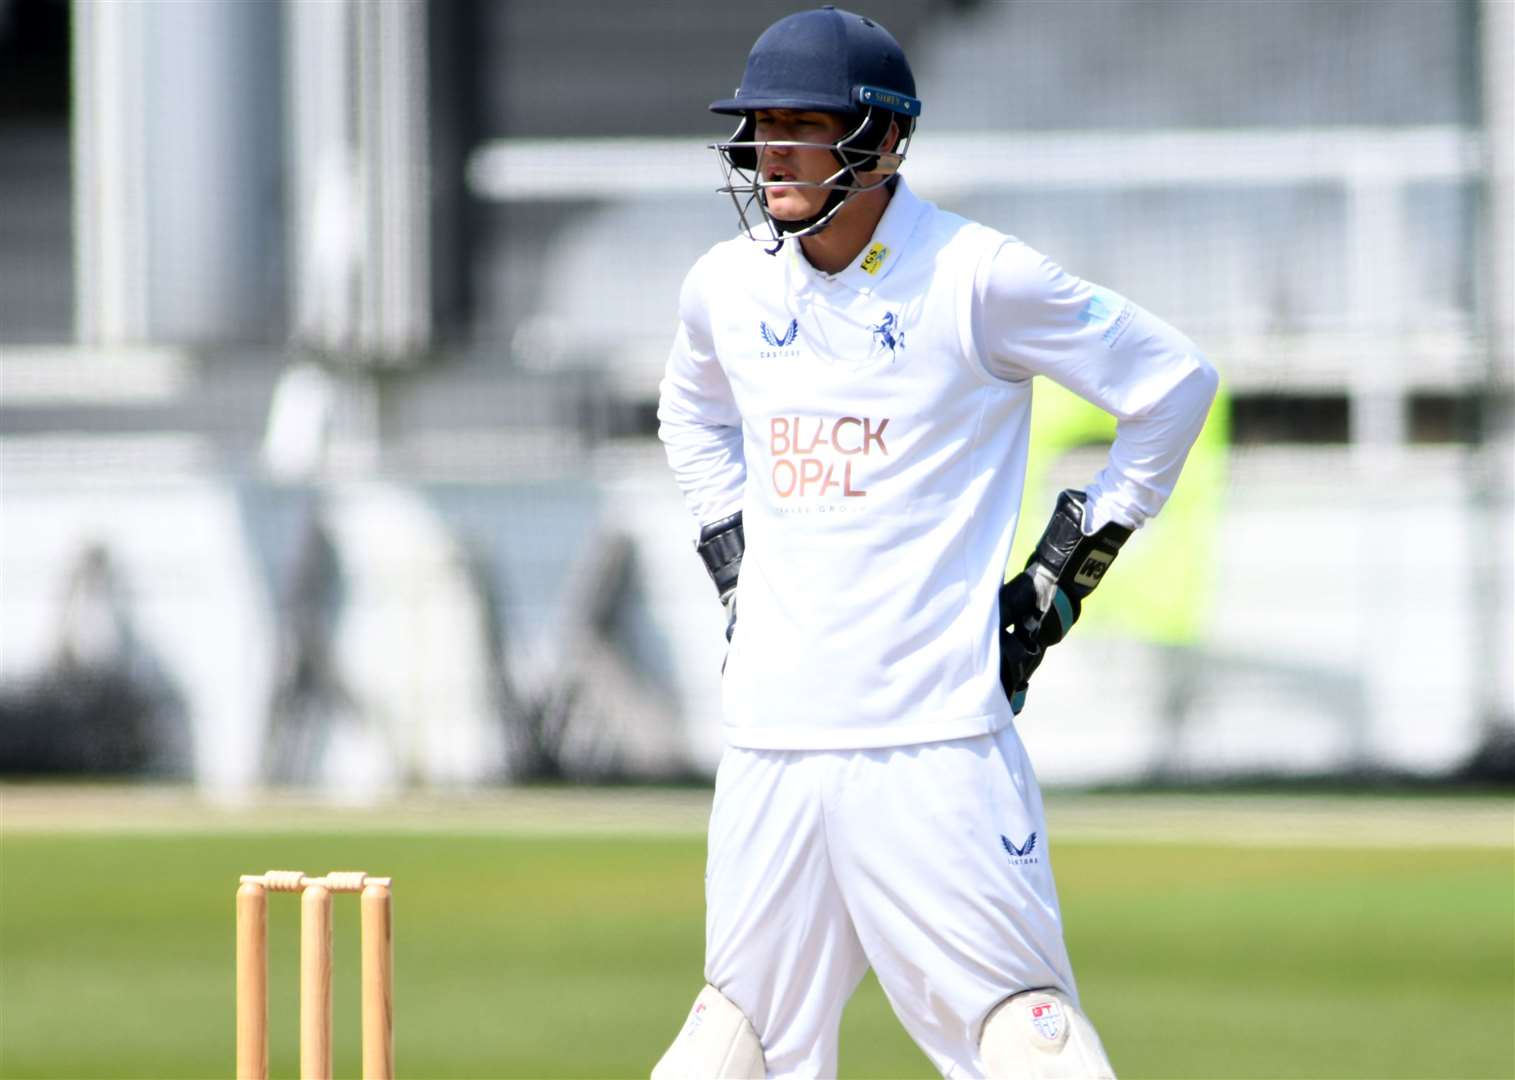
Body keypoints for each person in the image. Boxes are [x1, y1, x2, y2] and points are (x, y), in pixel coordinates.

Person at [654, 7, 1218, 1078]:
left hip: (933, 745)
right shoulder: (725, 286)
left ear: (884, 141)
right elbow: (690, 410)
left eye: (803, 124)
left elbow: (1173, 383)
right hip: (770, 742)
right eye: (762, 124)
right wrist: (734, 560)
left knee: (1022, 1040)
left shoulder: (977, 277)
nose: (772, 149)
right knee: (732, 1046)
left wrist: (1066, 571)